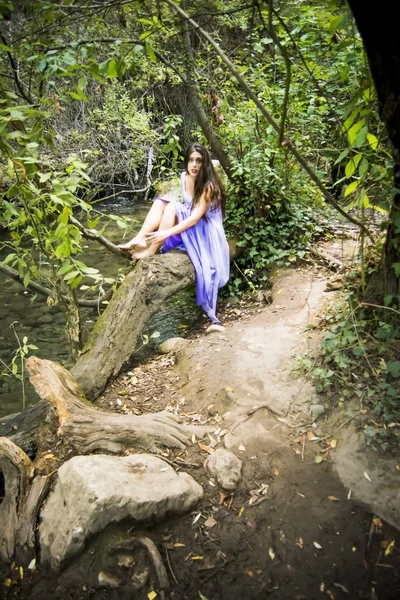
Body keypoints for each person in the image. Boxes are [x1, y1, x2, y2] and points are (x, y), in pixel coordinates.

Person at [118, 142, 230, 323]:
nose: (194, 165)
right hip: (197, 219)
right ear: (186, 162)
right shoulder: (185, 177)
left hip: (209, 231)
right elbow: (189, 206)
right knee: (160, 203)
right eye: (191, 160)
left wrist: (165, 233)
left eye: (199, 161)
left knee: (171, 208)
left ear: (205, 163)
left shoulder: (209, 185)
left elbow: (194, 218)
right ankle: (140, 238)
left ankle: (151, 250)